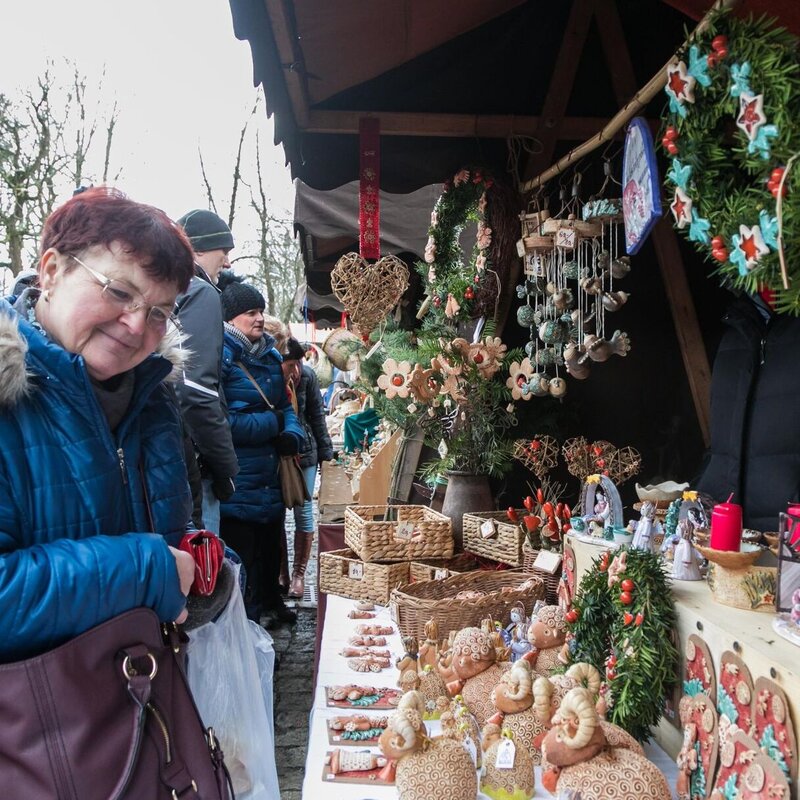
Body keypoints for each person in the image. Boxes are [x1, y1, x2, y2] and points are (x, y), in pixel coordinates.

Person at [0, 187, 196, 662]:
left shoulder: (153, 396)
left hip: (139, 708)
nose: (135, 325)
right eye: (119, 291)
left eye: (158, 313)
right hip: (31, 725)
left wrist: (204, 564)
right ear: (52, 271)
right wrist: (149, 571)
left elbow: (166, 530)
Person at [218, 276, 303, 626]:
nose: (258, 318)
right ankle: (249, 627)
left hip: (269, 477)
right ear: (231, 318)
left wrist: (293, 434)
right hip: (239, 480)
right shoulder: (221, 359)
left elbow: (286, 408)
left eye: (261, 311)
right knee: (244, 556)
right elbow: (225, 423)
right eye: (250, 312)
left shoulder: (269, 356)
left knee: (270, 547)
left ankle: (272, 602)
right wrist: (273, 427)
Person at [697, 292, 800, 531]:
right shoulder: (736, 331)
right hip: (723, 530)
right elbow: (720, 441)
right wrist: (703, 489)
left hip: (788, 535)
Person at [175, 209, 240, 533]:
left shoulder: (168, 288)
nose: (227, 263)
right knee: (206, 571)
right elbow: (196, 390)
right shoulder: (199, 292)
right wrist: (227, 467)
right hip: (194, 466)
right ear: (197, 249)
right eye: (223, 252)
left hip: (166, 460)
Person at [282, 337, 334, 598]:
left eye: (299, 362)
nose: (296, 368)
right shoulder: (273, 377)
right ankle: (280, 572)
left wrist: (326, 453)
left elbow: (317, 415)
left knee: (303, 512)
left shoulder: (309, 378)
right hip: (280, 455)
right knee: (276, 515)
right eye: (291, 363)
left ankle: (298, 575)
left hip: (307, 453)